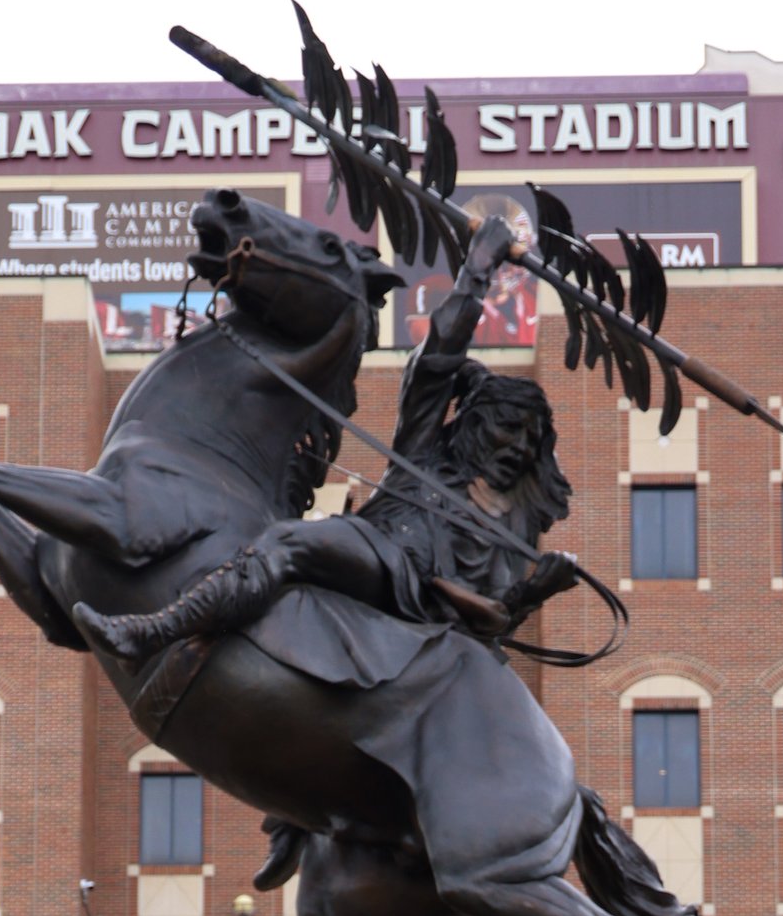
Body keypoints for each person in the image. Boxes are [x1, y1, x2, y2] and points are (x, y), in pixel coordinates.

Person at [73, 211, 582, 684]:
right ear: (471, 424)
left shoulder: (512, 527)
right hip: (381, 559)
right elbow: (440, 352)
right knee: (286, 544)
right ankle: (155, 632)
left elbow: (490, 619)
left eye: (528, 438)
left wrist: (536, 590)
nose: (517, 446)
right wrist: (478, 268)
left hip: (431, 630)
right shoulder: (426, 451)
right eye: (506, 428)